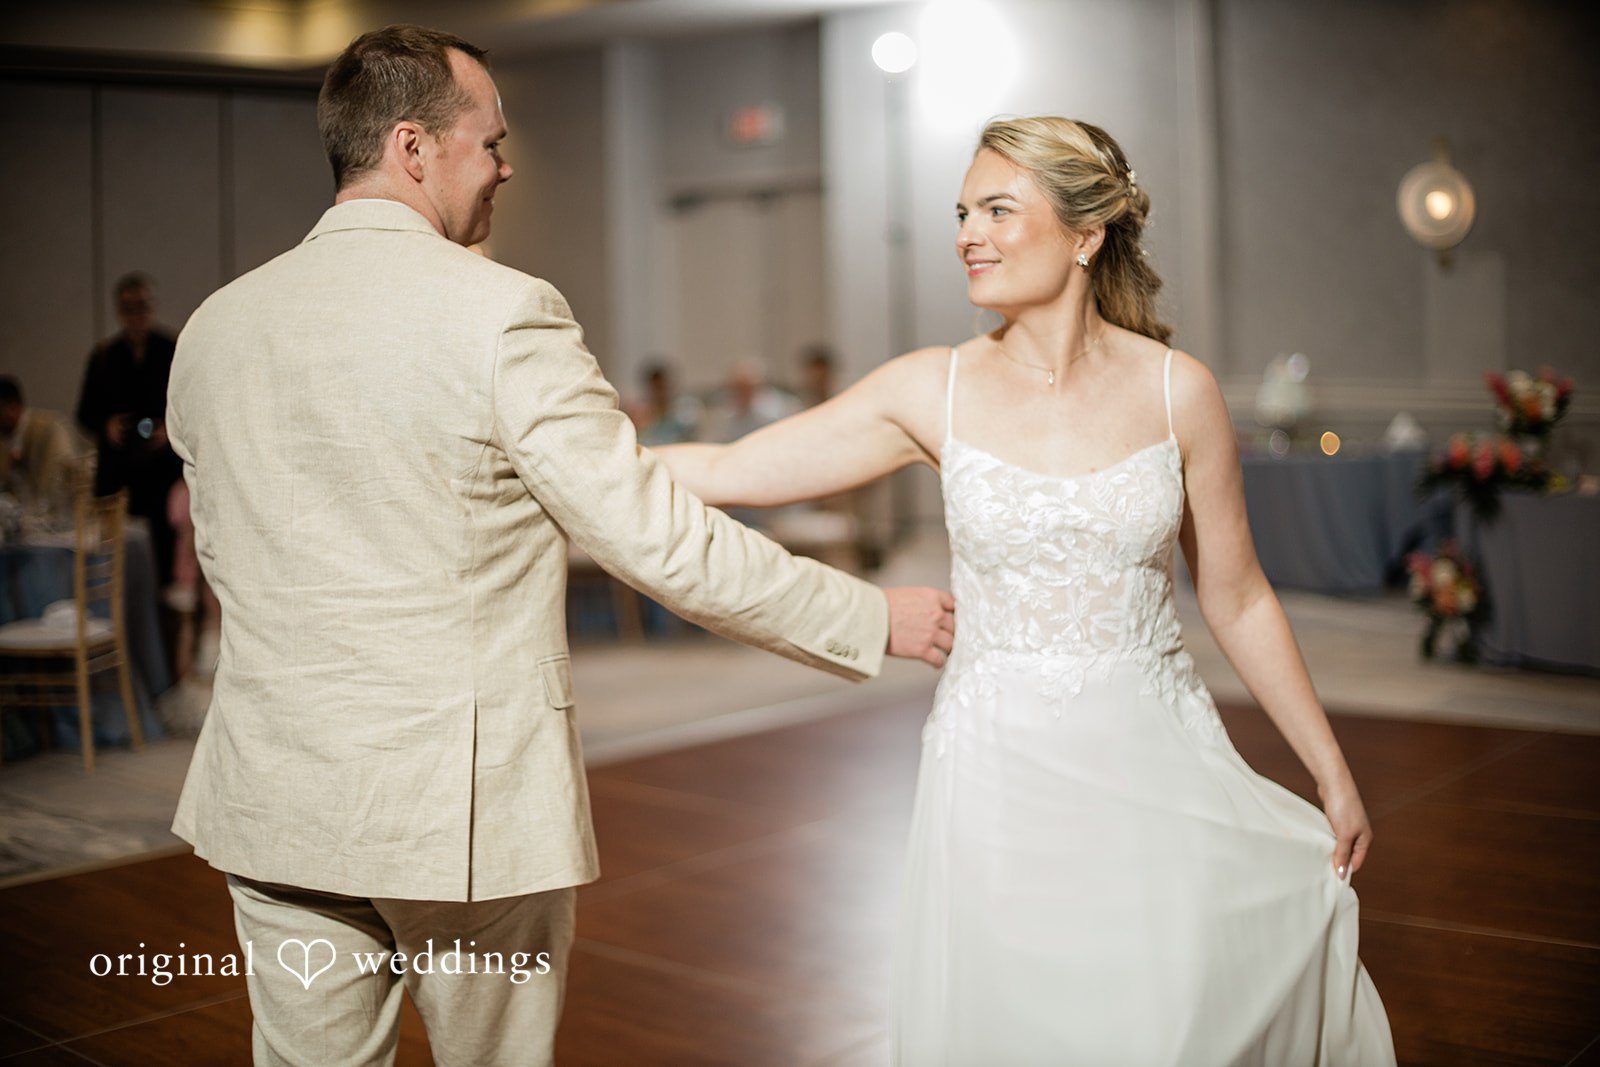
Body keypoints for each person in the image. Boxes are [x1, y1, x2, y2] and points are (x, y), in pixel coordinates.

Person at [164, 26, 954, 1067]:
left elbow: (230, 554)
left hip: (274, 792)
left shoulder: (217, 326)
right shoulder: (503, 314)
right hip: (462, 812)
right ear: (412, 147)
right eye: (488, 141)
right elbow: (656, 540)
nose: (505, 164)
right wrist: (867, 612)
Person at [652, 116, 1397, 1063]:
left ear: (1086, 235)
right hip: (995, 771)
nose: (969, 231)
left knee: (1161, 1023)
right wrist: (556, 456)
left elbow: (1238, 596)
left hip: (1154, 760)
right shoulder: (934, 389)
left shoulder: (1180, 392)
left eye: (999, 208)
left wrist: (1329, 769)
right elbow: (729, 465)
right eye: (963, 211)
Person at [75, 273, 183, 583]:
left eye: (143, 306)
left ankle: (161, 625)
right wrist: (106, 424)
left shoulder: (171, 349)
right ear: (119, 311)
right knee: (114, 558)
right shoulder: (105, 356)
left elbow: (191, 405)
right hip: (118, 470)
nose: (137, 314)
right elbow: (84, 414)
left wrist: (169, 429)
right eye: (129, 307)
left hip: (161, 471)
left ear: (153, 306)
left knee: (164, 557)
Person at [0, 376, 86, 518]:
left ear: (13, 407)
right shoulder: (4, 441)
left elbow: (59, 484)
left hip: (59, 525)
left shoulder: (51, 429)